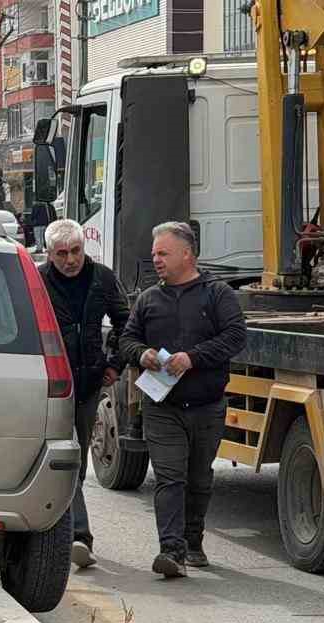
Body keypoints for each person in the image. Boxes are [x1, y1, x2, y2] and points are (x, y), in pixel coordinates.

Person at [118, 221, 247, 578]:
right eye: (154, 253)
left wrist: (193, 357)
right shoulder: (149, 299)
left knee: (199, 478)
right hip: (163, 408)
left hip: (207, 405)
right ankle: (171, 552)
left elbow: (236, 336)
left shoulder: (217, 294)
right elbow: (126, 341)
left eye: (164, 253)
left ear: (187, 254)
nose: (155, 259)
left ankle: (193, 542)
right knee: (169, 478)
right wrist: (141, 354)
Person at [39, 218, 130, 569]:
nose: (70, 260)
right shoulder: (38, 280)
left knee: (76, 463)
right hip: (51, 386)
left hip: (90, 383)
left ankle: (72, 535)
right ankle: (78, 535)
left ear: (83, 248)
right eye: (62, 253)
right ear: (50, 253)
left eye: (75, 251)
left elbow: (127, 322)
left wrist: (114, 364)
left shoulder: (102, 278)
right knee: (66, 459)